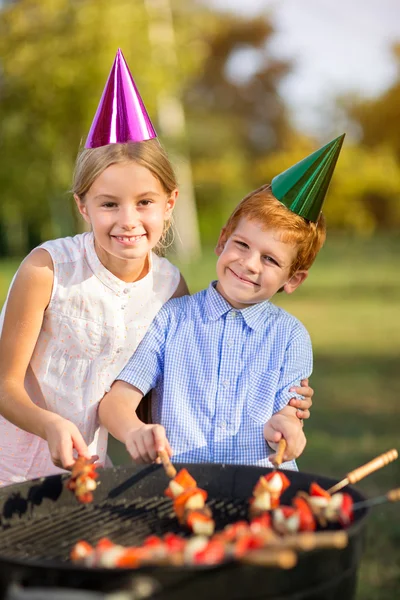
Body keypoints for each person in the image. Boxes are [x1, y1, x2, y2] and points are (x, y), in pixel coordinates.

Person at [0, 50, 312, 486]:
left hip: (88, 463)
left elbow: (165, 385)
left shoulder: (168, 287)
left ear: (169, 204)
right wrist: (52, 423)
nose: (128, 220)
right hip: (12, 456)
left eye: (144, 202)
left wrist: (287, 409)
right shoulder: (47, 269)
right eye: (109, 204)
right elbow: (5, 384)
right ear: (82, 205)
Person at [99, 134, 345, 470]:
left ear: (293, 279)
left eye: (270, 260)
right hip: (178, 487)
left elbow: (291, 414)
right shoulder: (172, 319)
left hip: (258, 489)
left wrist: (288, 429)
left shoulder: (291, 337)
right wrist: (134, 430)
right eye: (242, 245)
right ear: (222, 241)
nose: (249, 263)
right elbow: (117, 402)